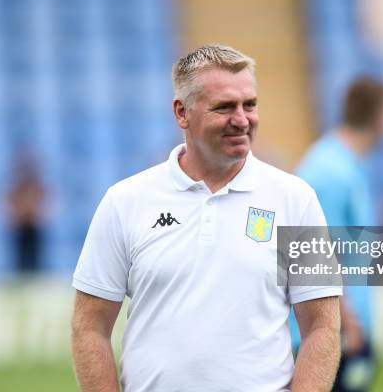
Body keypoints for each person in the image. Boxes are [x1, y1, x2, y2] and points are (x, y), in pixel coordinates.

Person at [71, 45, 342, 392]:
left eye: (250, 105)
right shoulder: (124, 201)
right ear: (182, 113)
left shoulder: (297, 199)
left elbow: (322, 326)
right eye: (225, 107)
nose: (242, 119)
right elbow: (89, 326)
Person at [290, 76, 383, 392]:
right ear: (381, 116)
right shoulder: (330, 172)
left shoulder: (346, 165)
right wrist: (346, 323)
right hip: (331, 332)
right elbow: (316, 255)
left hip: (342, 326)